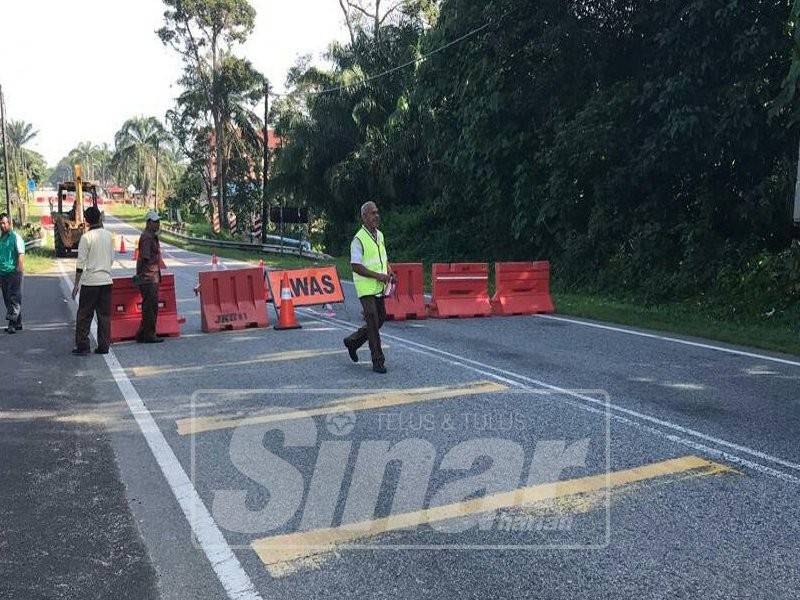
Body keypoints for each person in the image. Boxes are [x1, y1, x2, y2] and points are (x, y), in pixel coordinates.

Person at [343, 201, 394, 374]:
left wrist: (389, 270)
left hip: (379, 286)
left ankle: (353, 342)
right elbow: (355, 266)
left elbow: (383, 256)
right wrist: (378, 275)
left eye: (377, 212)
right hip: (365, 287)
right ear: (364, 217)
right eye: (372, 213)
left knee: (380, 319)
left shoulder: (379, 235)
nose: (376, 215)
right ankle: (377, 360)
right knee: (372, 320)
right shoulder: (358, 239)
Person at [71, 206, 114, 355]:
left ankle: (83, 346)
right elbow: (112, 259)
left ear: (87, 220)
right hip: (106, 281)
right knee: (104, 316)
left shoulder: (86, 238)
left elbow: (80, 264)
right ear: (99, 218)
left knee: (84, 314)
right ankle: (103, 347)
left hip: (90, 283)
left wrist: (76, 285)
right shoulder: (109, 235)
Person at [135, 210, 164, 343]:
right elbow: (145, 259)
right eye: (155, 222)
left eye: (158, 221)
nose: (157, 224)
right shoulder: (147, 237)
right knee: (151, 308)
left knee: (149, 307)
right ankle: (149, 334)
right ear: (148, 223)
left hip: (152, 276)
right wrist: (140, 275)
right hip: (148, 277)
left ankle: (143, 333)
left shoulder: (151, 236)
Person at [0, 214, 24, 334]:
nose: (2, 226)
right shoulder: (1, 239)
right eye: (1, 223)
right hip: (2, 273)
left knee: (13, 298)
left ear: (10, 224)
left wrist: (18, 271)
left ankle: (12, 323)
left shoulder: (15, 237)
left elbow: (21, 254)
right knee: (7, 299)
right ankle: (18, 322)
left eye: (5, 223)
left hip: (14, 272)